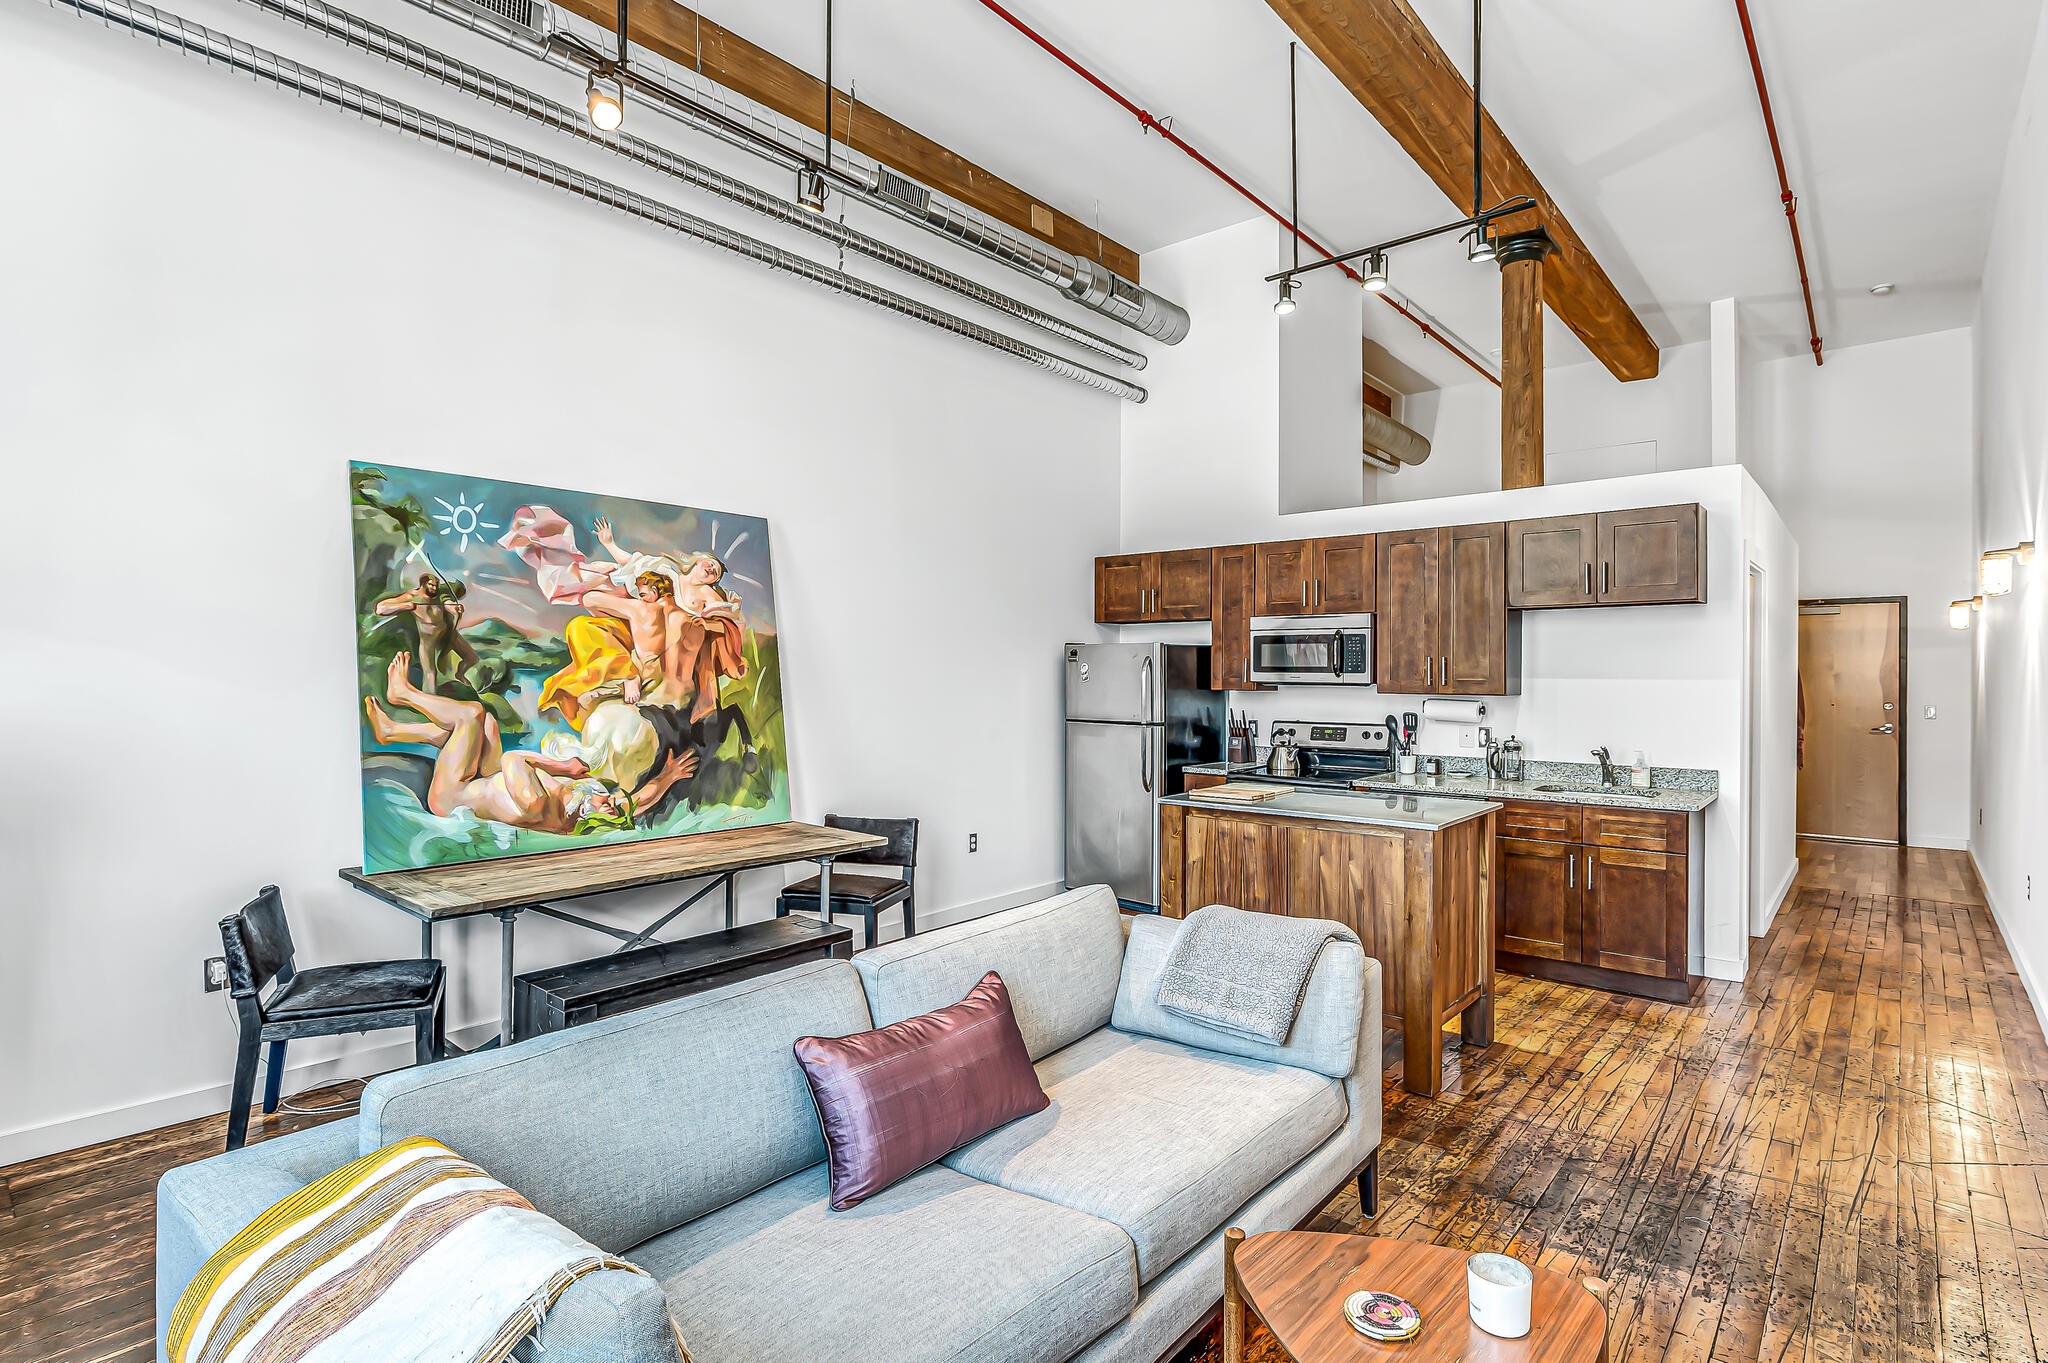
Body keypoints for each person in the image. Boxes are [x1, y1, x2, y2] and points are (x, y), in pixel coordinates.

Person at [365, 651, 635, 835]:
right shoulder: (567, 806)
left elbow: (513, 759)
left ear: (587, 814)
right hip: (489, 778)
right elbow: (639, 800)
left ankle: (404, 695)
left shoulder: (537, 803)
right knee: (489, 724)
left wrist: (562, 767)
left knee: (470, 715)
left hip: (452, 796)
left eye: (606, 805)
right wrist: (668, 777)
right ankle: (392, 731)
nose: (607, 797)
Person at [372, 574, 480, 695]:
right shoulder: (411, 596)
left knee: (472, 658)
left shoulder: (438, 595)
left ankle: (460, 674)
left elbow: (447, 602)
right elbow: (380, 609)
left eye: (436, 586)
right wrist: (405, 606)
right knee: (430, 674)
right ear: (423, 584)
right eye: (431, 585)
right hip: (428, 639)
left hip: (447, 634)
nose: (434, 588)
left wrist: (453, 608)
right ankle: (429, 702)